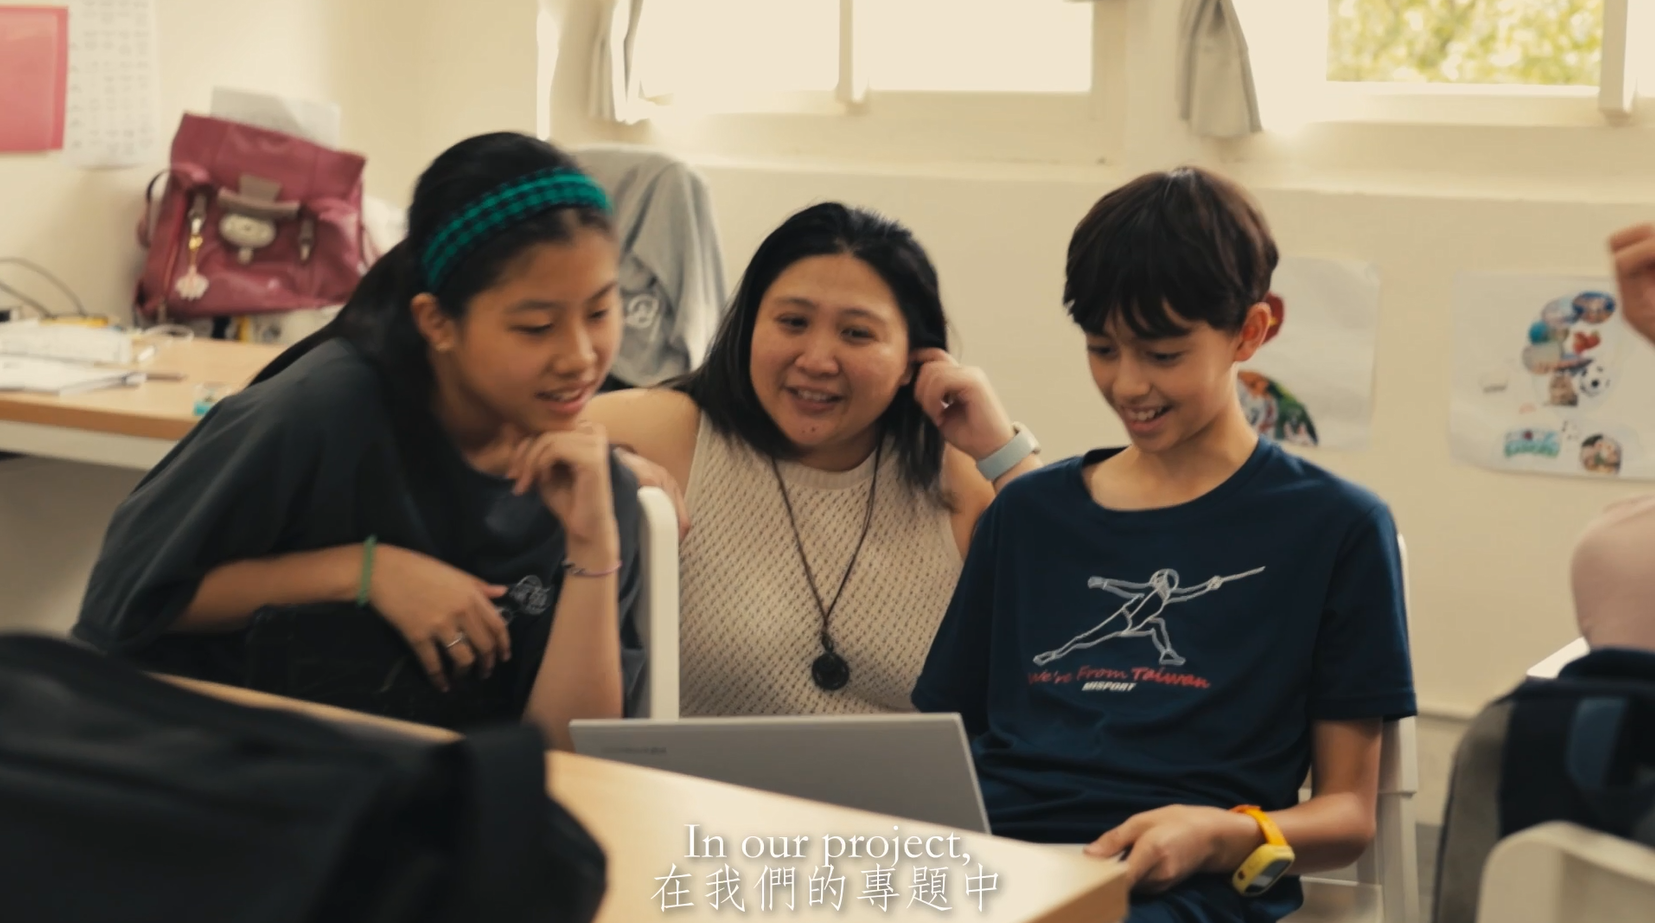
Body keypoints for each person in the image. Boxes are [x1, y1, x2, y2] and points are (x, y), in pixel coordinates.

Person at [912, 167, 1416, 923]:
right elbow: (941, 743)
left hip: (1179, 887)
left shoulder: (1335, 528)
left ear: (1251, 330)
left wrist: (1218, 836)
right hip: (988, 864)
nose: (1127, 384)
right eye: (1101, 348)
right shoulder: (1027, 514)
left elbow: (1346, 814)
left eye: (1163, 354)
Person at [72, 133, 643, 748]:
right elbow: (122, 601)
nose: (580, 357)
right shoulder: (324, 410)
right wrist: (364, 572)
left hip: (438, 797)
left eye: (599, 313)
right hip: (235, 774)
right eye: (536, 326)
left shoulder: (593, 487)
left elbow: (571, 756)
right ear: (437, 322)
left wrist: (593, 545)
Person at [585, 203, 1041, 715]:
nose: (817, 361)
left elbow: (1074, 616)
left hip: (912, 773)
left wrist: (1004, 453)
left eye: (857, 333)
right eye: (793, 322)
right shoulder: (671, 431)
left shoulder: (957, 476)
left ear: (914, 359)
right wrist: (599, 466)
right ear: (749, 327)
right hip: (692, 772)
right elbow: (513, 442)